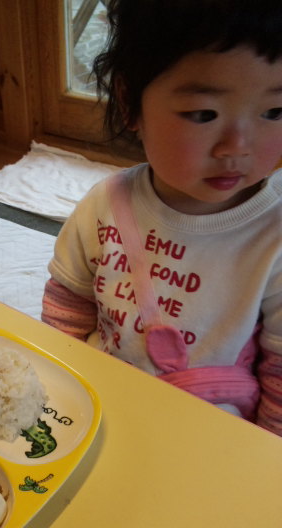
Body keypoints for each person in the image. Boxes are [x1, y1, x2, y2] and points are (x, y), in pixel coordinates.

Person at [41, 0, 282, 434]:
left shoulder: (273, 236)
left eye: (274, 112)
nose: (237, 146)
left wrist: (263, 458)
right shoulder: (105, 204)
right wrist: (59, 392)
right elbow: (68, 306)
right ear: (129, 102)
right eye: (204, 114)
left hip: (207, 431)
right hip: (100, 406)